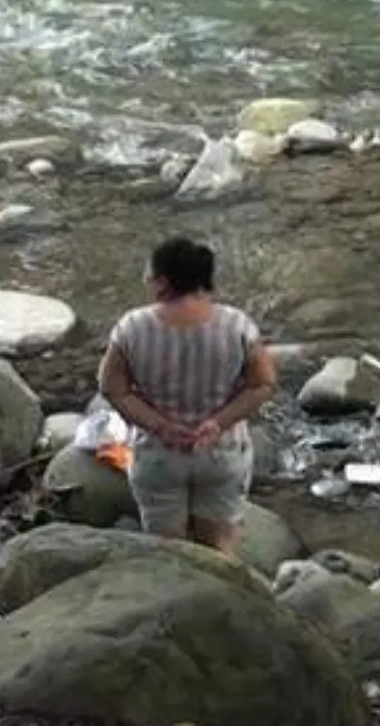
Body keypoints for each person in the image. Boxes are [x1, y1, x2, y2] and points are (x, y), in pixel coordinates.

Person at [99, 236, 277, 554]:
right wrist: (218, 422)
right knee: (220, 543)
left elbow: (112, 388)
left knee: (167, 548)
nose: (147, 280)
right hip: (221, 450)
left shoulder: (132, 327)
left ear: (164, 281)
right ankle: (224, 597)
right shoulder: (237, 325)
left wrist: (160, 425)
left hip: (159, 454)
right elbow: (263, 384)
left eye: (150, 274)